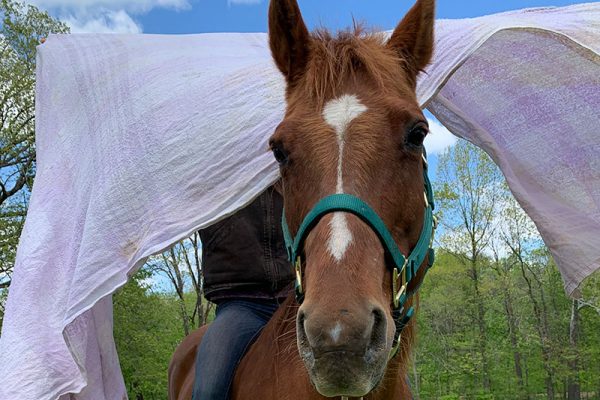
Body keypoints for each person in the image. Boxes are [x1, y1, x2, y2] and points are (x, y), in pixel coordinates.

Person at [192, 185, 294, 400]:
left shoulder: (290, 158)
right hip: (241, 301)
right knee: (207, 392)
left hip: (295, 297)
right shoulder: (212, 165)